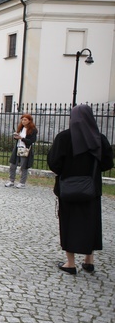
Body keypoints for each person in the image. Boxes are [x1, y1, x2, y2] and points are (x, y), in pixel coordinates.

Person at [48, 104, 114, 275]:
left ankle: (70, 263)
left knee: (69, 223)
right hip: (91, 188)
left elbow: (54, 163)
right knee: (90, 223)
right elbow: (107, 163)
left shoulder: (64, 138)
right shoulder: (99, 139)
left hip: (69, 188)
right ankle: (89, 260)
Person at [5, 114, 38, 189]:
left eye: (25, 120)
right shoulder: (21, 128)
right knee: (12, 165)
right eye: (22, 120)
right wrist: (16, 137)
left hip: (25, 149)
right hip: (17, 147)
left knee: (23, 166)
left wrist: (21, 138)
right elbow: (19, 138)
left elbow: (32, 141)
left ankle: (22, 182)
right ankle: (11, 181)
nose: (23, 121)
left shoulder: (33, 130)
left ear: (29, 121)